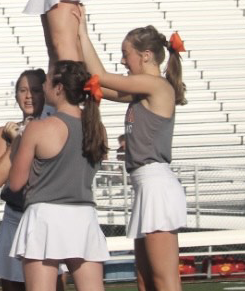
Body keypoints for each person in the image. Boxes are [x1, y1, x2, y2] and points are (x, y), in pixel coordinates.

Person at [79, 22, 187, 291]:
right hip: (145, 186)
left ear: (146, 55)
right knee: (145, 280)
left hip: (156, 186)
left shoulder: (157, 86)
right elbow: (99, 86)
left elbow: (100, 75)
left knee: (165, 281)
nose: (123, 60)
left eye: (126, 54)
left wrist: (82, 31)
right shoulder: (141, 92)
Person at [8, 62, 109, 291]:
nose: (43, 85)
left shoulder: (39, 128)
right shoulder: (96, 126)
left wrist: (16, 144)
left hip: (45, 215)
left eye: (47, 80)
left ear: (59, 88)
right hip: (84, 216)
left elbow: (15, 183)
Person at [0, 69, 49, 291]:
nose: (28, 96)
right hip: (15, 217)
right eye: (23, 90)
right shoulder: (5, 133)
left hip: (46, 218)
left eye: (35, 90)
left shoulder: (54, 128)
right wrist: (15, 144)